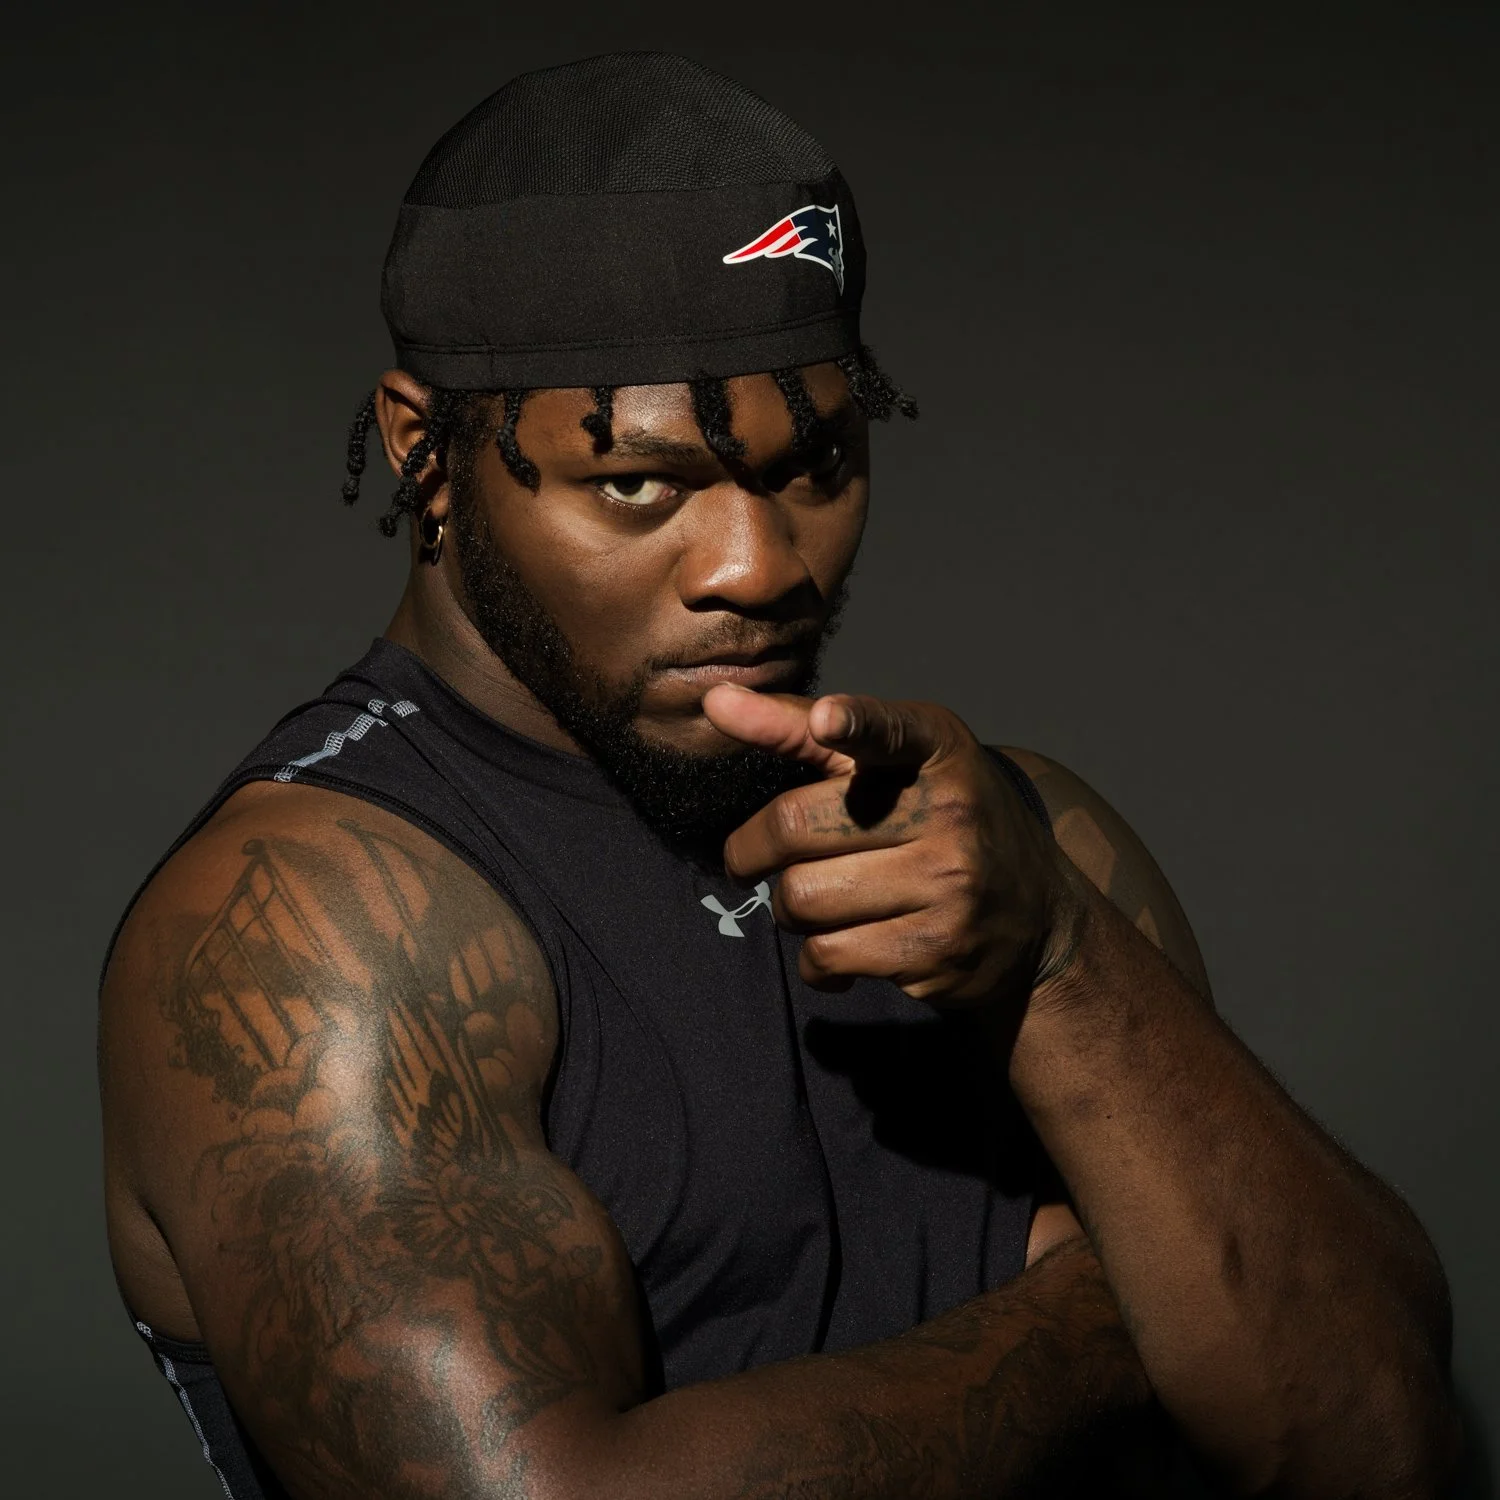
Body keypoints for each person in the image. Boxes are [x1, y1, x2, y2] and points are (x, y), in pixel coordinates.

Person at [99, 52, 1459, 1500]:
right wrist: (1119, 1313)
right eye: (640, 484)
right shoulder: (311, 931)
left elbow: (1381, 1442)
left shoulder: (1017, 842)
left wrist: (1060, 958)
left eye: (815, 464)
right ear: (425, 454)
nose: (756, 568)